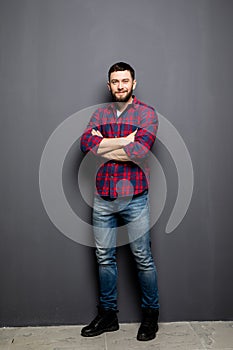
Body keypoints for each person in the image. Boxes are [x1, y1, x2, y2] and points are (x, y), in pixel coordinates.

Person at [80, 62, 159, 341]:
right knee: (104, 258)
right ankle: (108, 316)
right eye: (115, 81)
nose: (121, 85)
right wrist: (125, 139)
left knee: (143, 258)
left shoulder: (146, 113)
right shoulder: (100, 113)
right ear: (109, 85)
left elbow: (139, 152)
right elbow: (86, 144)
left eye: (125, 80)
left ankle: (150, 315)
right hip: (103, 198)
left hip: (135, 198)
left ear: (134, 83)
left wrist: (105, 145)